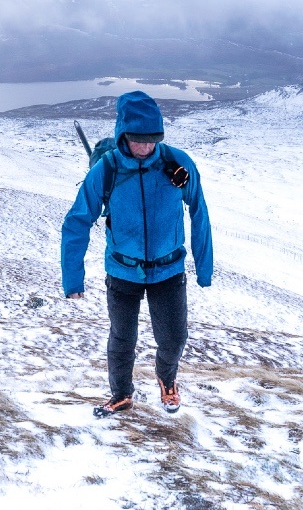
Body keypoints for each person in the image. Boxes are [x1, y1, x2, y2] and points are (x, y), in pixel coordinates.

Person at [61, 90, 213, 417]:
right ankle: (121, 395)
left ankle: (166, 379)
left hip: (168, 270)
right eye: (138, 140)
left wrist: (204, 268)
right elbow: (76, 222)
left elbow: (199, 211)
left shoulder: (177, 164)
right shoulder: (107, 170)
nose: (146, 147)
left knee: (173, 339)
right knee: (122, 340)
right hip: (123, 271)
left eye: (152, 140)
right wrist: (73, 278)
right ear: (122, 134)